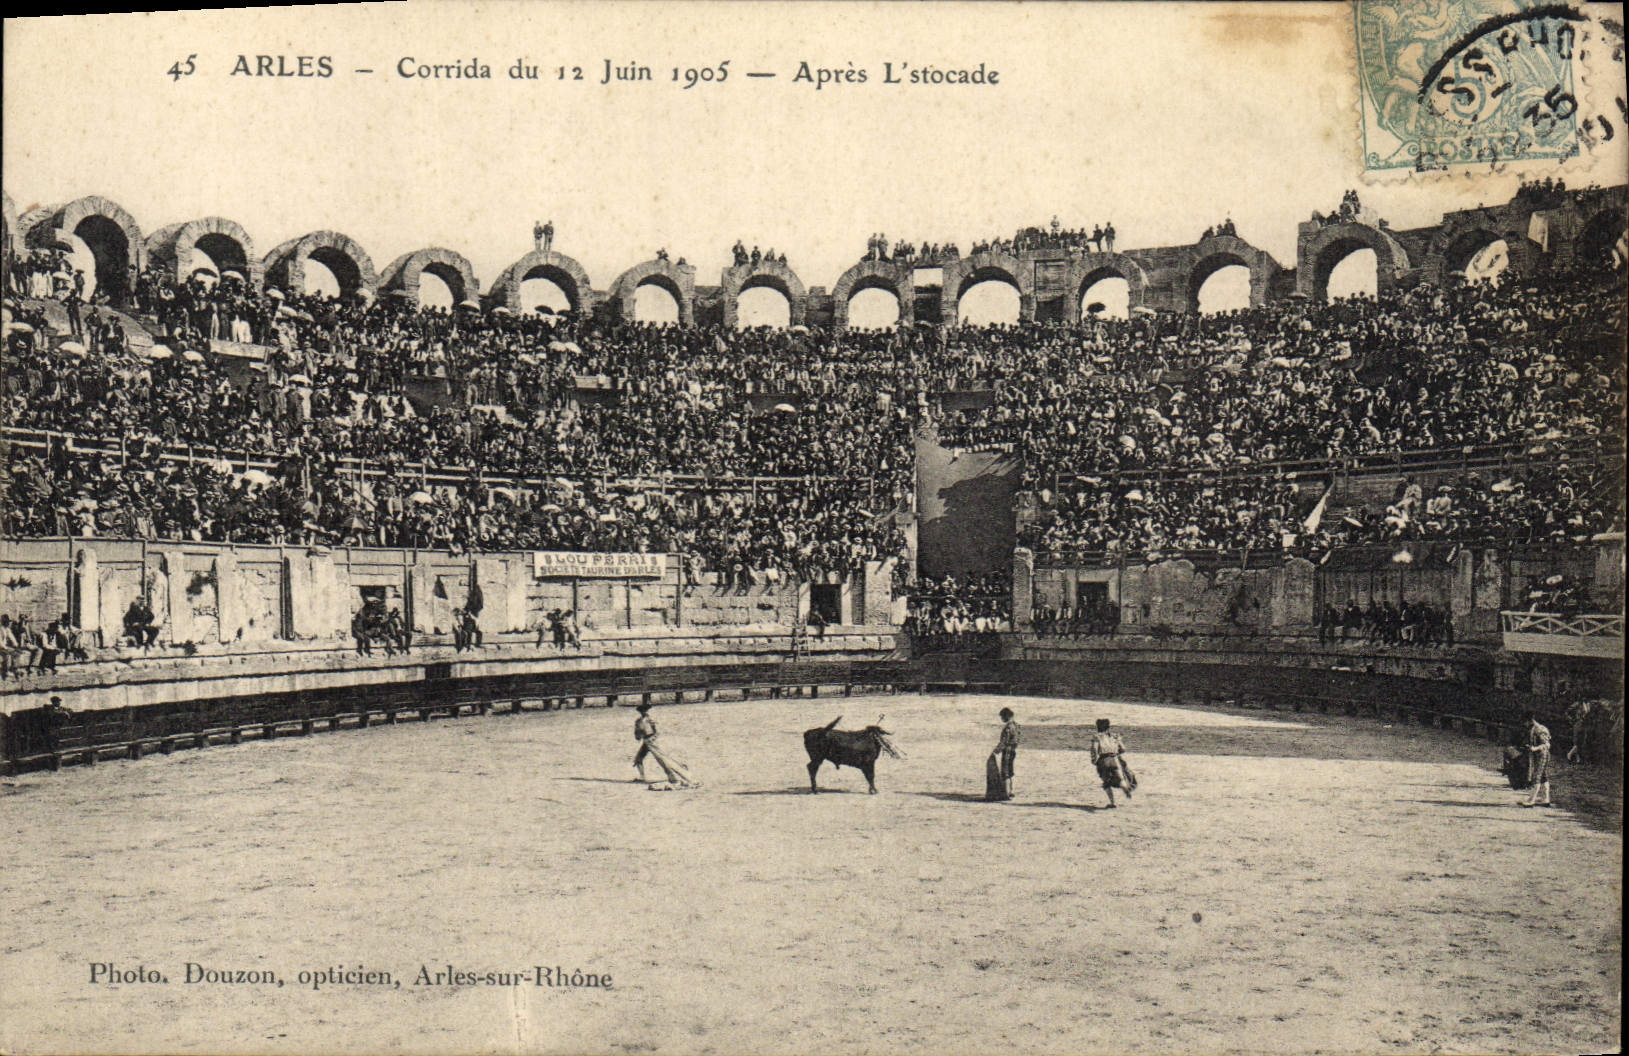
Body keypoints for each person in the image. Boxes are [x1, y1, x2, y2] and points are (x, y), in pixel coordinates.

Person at [632, 702, 697, 789]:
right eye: (642, 711)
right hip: (646, 741)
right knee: (638, 759)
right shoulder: (638, 721)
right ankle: (642, 777)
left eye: (645, 710)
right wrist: (638, 735)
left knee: (662, 759)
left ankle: (676, 774)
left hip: (652, 742)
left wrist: (653, 737)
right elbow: (637, 734)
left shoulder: (650, 720)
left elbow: (657, 731)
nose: (644, 712)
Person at [1090, 717, 1136, 807]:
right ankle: (1125, 788)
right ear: (1108, 727)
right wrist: (1117, 753)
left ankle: (1112, 803)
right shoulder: (1115, 736)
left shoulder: (1097, 736)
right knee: (1120, 778)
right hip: (1115, 759)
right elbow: (1123, 749)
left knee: (1106, 782)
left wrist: (1094, 760)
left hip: (1103, 760)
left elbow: (1094, 749)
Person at [987, 707, 1020, 801]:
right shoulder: (1016, 726)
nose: (1002, 719)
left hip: (1007, 750)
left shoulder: (1008, 728)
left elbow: (1004, 742)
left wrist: (996, 751)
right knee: (1010, 771)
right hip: (1013, 750)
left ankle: (1006, 793)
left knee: (1005, 772)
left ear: (1006, 716)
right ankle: (1011, 791)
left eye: (1002, 717)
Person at [1521, 712, 1552, 807]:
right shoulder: (1534, 729)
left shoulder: (1539, 729)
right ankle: (1546, 799)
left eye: (1525, 722)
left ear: (1530, 721)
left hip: (1542, 755)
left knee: (1536, 777)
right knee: (1543, 776)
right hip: (1539, 755)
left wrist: (1534, 748)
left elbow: (1547, 744)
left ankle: (1531, 800)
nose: (1524, 724)